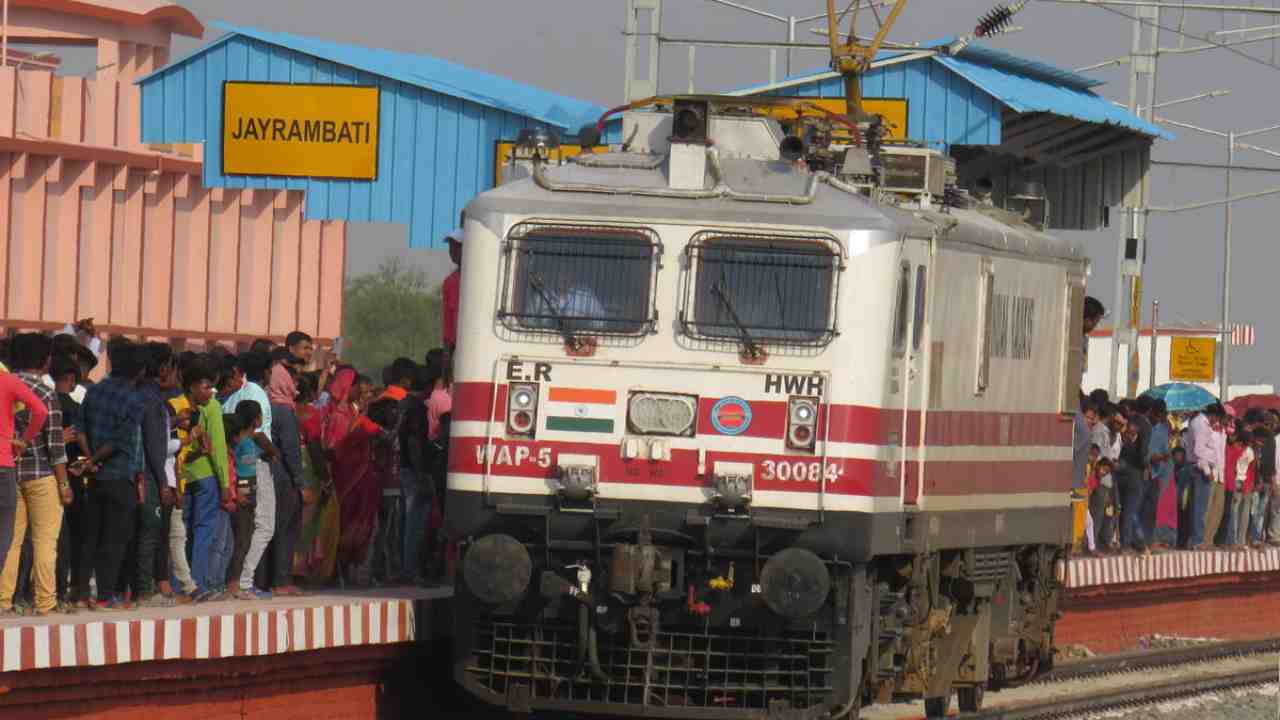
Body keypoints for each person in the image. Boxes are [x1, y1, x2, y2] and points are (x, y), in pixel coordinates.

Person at [76, 341, 147, 610]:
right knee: (115, 539)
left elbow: (80, 427)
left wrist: (89, 459)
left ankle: (81, 593)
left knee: (91, 535)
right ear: (139, 371)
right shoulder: (135, 399)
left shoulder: (95, 391)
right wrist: (95, 459)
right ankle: (106, 595)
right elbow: (120, 439)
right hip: (119, 475)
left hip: (94, 476)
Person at [0, 334, 66, 616]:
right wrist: (64, 483)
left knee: (10, 541)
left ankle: (3, 600)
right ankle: (44, 602)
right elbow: (55, 444)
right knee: (44, 541)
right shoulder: (45, 392)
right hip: (41, 474)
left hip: (13, 472)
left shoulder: (6, 382)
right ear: (45, 360)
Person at [223, 353, 279, 600]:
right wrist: (245, 494)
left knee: (249, 533)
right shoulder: (251, 441)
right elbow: (247, 470)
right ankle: (243, 582)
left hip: (246, 487)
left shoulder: (235, 398)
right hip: (251, 486)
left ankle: (242, 581)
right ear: (258, 419)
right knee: (263, 528)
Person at [175, 361, 232, 602]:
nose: (210, 393)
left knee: (181, 532)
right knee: (204, 531)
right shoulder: (213, 407)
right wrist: (225, 483)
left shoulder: (178, 404)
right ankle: (197, 582)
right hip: (206, 475)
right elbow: (218, 447)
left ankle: (180, 584)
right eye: (208, 387)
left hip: (183, 474)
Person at [133, 343, 178, 607]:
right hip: (150, 475)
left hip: (140, 472)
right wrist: (163, 482)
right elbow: (154, 446)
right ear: (163, 369)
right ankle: (143, 591)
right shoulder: (153, 402)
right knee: (149, 534)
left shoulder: (138, 394)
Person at [263, 355, 307, 596]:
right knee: (285, 528)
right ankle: (282, 581)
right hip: (284, 477)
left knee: (271, 527)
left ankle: (270, 579)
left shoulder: (267, 405)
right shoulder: (285, 410)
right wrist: (301, 482)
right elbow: (291, 450)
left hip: (270, 473)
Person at [226, 400, 270, 600]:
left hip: (251, 494)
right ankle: (233, 584)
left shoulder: (252, 441)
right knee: (241, 540)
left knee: (246, 537)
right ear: (255, 419)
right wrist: (241, 492)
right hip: (244, 495)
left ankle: (237, 584)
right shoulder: (242, 443)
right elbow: (238, 469)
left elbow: (270, 455)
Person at [1185, 403, 1225, 550]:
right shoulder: (1201, 425)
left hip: (1200, 468)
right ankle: (1197, 541)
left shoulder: (1201, 423)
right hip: (1200, 469)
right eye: (1217, 419)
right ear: (1213, 415)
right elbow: (1199, 451)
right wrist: (1208, 472)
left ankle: (1197, 540)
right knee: (1200, 508)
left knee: (1199, 507)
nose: (1217, 422)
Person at [1148, 400, 1177, 550]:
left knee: (1166, 506)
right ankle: (1156, 538)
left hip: (1166, 471)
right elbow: (1152, 454)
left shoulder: (1165, 428)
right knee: (1159, 506)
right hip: (1159, 472)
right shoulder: (1156, 429)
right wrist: (1163, 457)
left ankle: (1165, 538)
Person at [442, 229, 463, 353]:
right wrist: (447, 352)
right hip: (456, 349)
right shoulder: (450, 281)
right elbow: (447, 322)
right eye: (451, 247)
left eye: (457, 247)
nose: (452, 252)